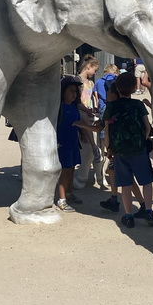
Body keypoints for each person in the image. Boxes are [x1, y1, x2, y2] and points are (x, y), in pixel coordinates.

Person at [102, 71, 153, 228]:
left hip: (119, 150)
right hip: (138, 148)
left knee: (125, 184)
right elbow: (147, 127)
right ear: (134, 88)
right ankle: (148, 211)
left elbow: (107, 130)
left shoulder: (111, 107)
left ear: (117, 89)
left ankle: (128, 216)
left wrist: (109, 148)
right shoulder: (138, 105)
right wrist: (144, 139)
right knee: (146, 182)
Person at [73, 56, 103, 191]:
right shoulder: (77, 81)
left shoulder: (90, 83)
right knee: (88, 147)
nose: (95, 73)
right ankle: (93, 147)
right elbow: (77, 101)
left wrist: (93, 109)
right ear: (88, 66)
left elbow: (90, 99)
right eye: (94, 70)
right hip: (80, 112)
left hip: (89, 112)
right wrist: (87, 110)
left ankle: (98, 174)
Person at [55, 77, 84, 211]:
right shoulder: (58, 108)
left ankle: (69, 193)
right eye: (71, 90)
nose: (74, 94)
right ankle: (61, 200)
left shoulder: (73, 107)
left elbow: (78, 124)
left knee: (71, 169)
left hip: (73, 143)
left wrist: (83, 134)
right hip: (62, 144)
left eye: (76, 91)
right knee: (64, 171)